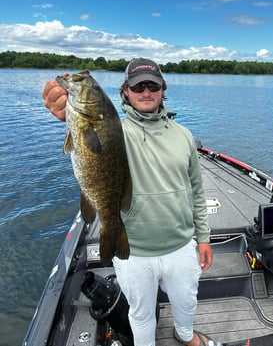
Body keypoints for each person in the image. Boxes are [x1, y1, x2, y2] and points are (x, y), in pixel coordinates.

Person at [42, 58, 216, 346]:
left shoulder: (184, 135)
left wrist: (204, 238)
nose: (145, 92)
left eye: (152, 85)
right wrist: (69, 117)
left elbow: (197, 190)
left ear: (163, 89)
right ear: (125, 92)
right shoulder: (116, 130)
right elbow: (94, 136)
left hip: (182, 245)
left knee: (187, 302)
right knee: (140, 313)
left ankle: (185, 335)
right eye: (138, 86)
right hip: (134, 250)